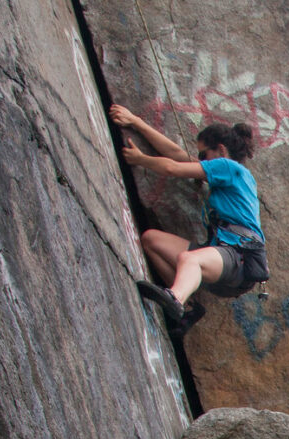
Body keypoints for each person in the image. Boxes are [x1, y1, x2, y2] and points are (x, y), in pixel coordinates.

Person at [110, 104, 268, 337]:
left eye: (204, 155)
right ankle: (190, 308)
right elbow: (176, 154)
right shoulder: (228, 175)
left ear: (221, 150)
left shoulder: (228, 167)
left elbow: (173, 168)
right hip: (223, 258)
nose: (200, 160)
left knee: (189, 259)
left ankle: (175, 298)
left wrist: (140, 159)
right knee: (151, 240)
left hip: (239, 258)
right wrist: (135, 121)